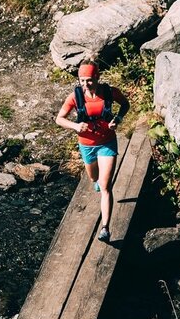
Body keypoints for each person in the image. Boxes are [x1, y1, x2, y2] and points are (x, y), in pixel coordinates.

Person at [55, 61, 129, 242]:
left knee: (105, 186)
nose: (85, 84)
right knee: (93, 177)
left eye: (89, 80)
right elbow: (59, 119)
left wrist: (118, 119)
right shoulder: (75, 96)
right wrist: (75, 126)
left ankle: (105, 228)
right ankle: (96, 181)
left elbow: (125, 105)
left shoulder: (110, 92)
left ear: (97, 77)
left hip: (107, 143)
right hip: (86, 144)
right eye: (82, 80)